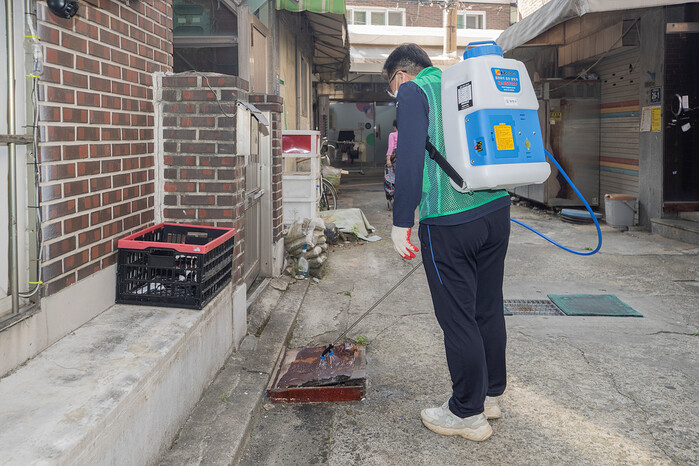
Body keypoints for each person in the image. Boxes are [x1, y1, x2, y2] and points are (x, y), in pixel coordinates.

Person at [383, 43, 511, 441]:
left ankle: (466, 413)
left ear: (401, 75)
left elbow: (408, 157)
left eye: (392, 86)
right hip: (496, 211)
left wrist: (401, 221)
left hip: (449, 219)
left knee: (458, 317)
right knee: (487, 308)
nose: (395, 93)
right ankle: (490, 395)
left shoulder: (413, 90)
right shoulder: (462, 81)